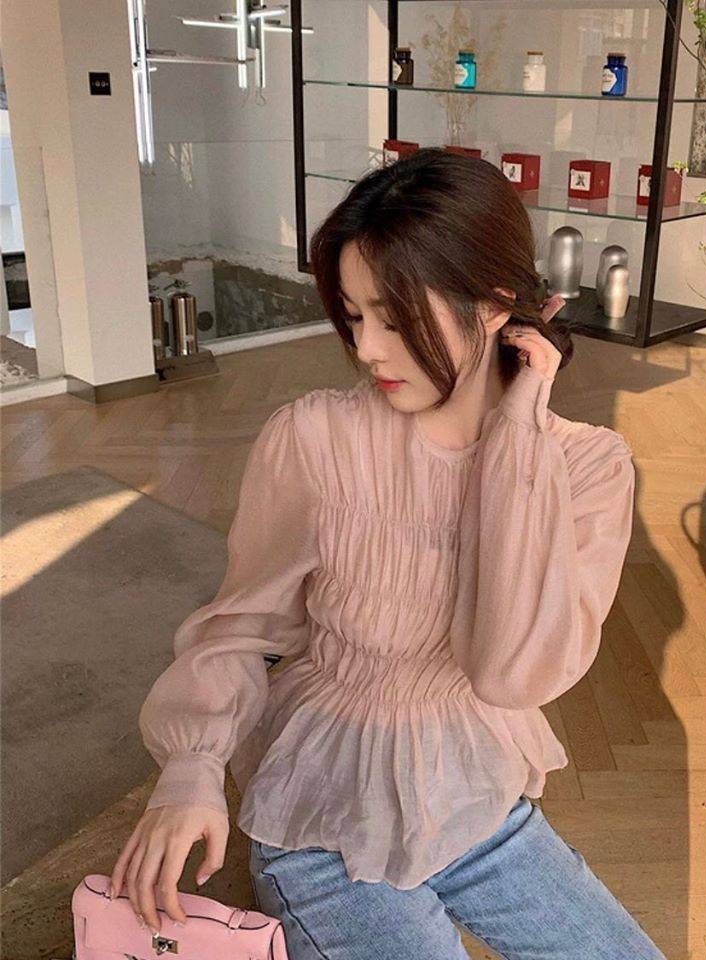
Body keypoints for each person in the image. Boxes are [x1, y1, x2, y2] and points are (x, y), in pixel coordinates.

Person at [108, 148, 667, 960]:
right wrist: (191, 767)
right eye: (354, 314)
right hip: (324, 809)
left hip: (473, 797)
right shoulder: (316, 438)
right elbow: (241, 626)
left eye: (396, 320)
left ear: (495, 305)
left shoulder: (586, 470)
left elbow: (508, 673)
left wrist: (517, 436)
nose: (368, 348)